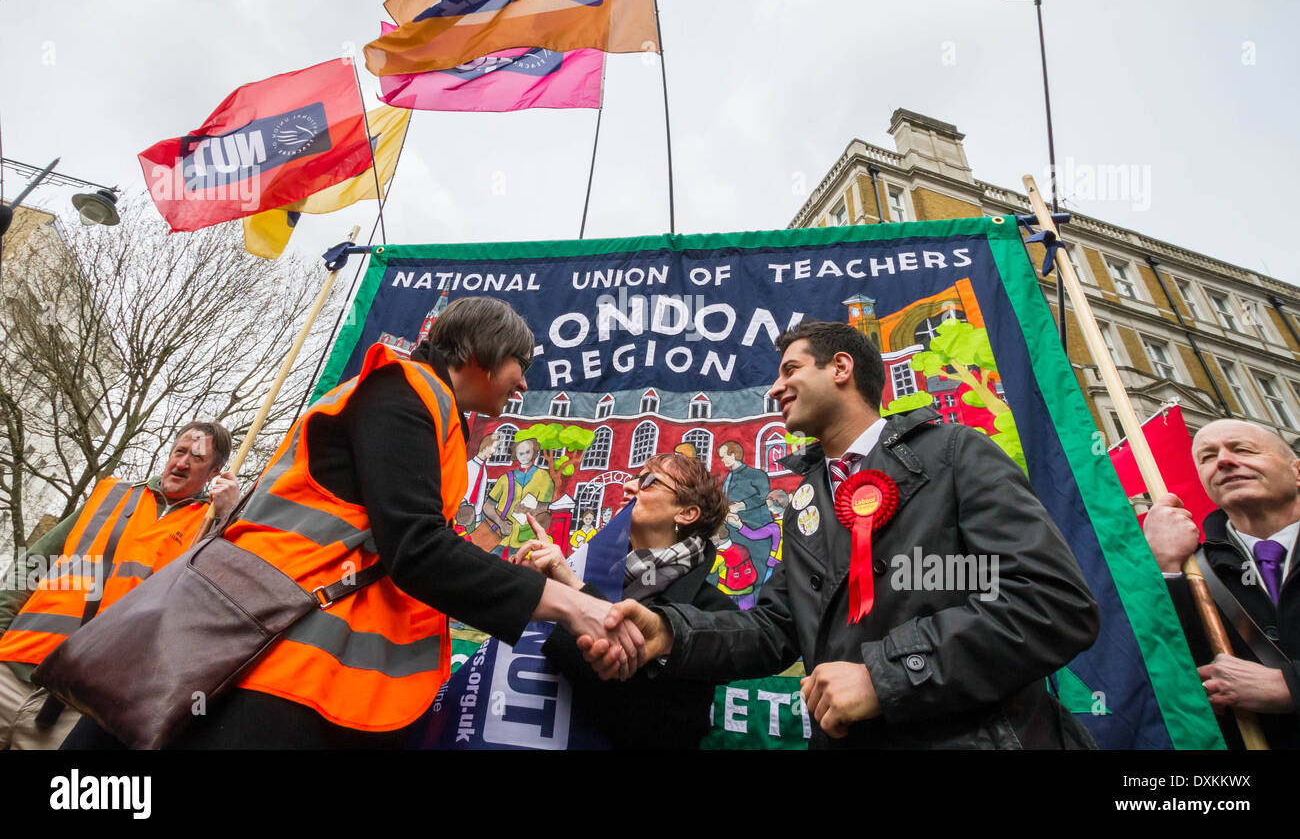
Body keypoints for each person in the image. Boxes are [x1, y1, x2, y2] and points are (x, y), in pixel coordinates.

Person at [60, 296, 643, 749]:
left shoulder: (436, 417)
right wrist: (570, 604)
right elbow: (417, 549)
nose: (524, 382)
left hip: (276, 648)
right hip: (257, 650)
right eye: (521, 363)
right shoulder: (403, 391)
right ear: (481, 351)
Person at [582, 320, 1100, 749]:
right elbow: (775, 628)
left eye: (790, 370)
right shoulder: (807, 501)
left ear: (841, 368)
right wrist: (672, 632)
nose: (775, 388)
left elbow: (1052, 602)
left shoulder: (953, 454)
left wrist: (887, 674)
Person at [0, 422, 239, 749]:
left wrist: (228, 518)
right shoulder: (112, 494)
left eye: (195, 457)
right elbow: (33, 563)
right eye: (179, 451)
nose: (181, 462)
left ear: (215, 471)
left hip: (80, 705)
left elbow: (225, 598)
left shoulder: (211, 528)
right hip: (11, 670)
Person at [512, 452, 737, 749]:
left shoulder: (713, 612)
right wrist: (538, 589)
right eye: (634, 477)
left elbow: (654, 723)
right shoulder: (588, 570)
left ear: (686, 513)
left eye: (649, 482)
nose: (629, 486)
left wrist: (573, 590)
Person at [1143, 418, 1300, 748]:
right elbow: (1163, 675)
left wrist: (1290, 686)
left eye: (1242, 450)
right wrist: (1164, 569)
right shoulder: (1193, 570)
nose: (1224, 461)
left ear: (1297, 471)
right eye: (1207, 457)